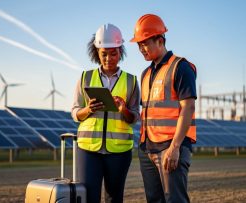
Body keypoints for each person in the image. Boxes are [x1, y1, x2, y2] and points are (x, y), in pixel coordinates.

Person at [130, 14, 197, 203]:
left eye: (145, 43)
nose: (141, 49)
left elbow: (188, 107)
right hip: (147, 149)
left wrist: (175, 147)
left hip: (170, 148)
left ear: (160, 40)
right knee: (154, 200)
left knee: (175, 200)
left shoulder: (180, 67)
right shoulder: (145, 74)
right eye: (138, 45)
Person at [71, 23, 140, 203]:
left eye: (113, 53)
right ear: (97, 52)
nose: (108, 58)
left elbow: (134, 118)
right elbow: (75, 112)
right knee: (88, 197)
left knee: (114, 198)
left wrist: (123, 109)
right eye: (104, 54)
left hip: (119, 151)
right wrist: (88, 109)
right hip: (88, 149)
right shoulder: (85, 77)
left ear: (120, 51)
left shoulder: (131, 81)